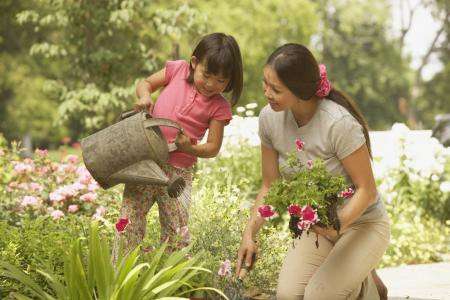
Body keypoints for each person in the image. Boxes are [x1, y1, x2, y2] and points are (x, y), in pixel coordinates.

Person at [236, 43, 390, 299]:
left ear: (301, 91)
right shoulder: (269, 119)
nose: (266, 93)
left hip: (363, 224)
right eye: (265, 83)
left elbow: (367, 190)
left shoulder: (338, 123)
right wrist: (249, 234)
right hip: (318, 227)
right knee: (287, 295)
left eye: (275, 89)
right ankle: (361, 280)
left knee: (320, 295)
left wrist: (337, 225)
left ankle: (365, 287)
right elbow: (270, 185)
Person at [112, 32, 243, 259]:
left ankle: (172, 286)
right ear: (194, 63)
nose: (211, 84)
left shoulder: (219, 107)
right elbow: (145, 83)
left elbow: (212, 147)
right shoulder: (178, 70)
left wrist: (189, 149)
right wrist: (145, 97)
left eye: (221, 81)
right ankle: (119, 277)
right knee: (129, 221)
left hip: (178, 175)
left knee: (176, 232)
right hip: (146, 161)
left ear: (231, 79)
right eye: (207, 75)